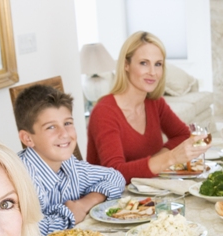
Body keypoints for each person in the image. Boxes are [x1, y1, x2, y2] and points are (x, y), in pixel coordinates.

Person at [86, 31, 209, 184]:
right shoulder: (104, 112)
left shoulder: (154, 103)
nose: (152, 72)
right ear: (126, 64)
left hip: (148, 190)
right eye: (144, 63)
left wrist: (158, 160)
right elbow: (114, 173)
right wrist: (168, 158)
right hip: (111, 200)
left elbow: (183, 135)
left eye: (158, 64)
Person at [15, 84, 125, 236]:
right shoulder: (24, 178)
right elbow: (28, 232)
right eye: (51, 127)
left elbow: (114, 177)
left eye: (67, 123)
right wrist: (70, 214)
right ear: (27, 138)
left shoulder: (69, 164)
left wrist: (84, 204)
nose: (64, 133)